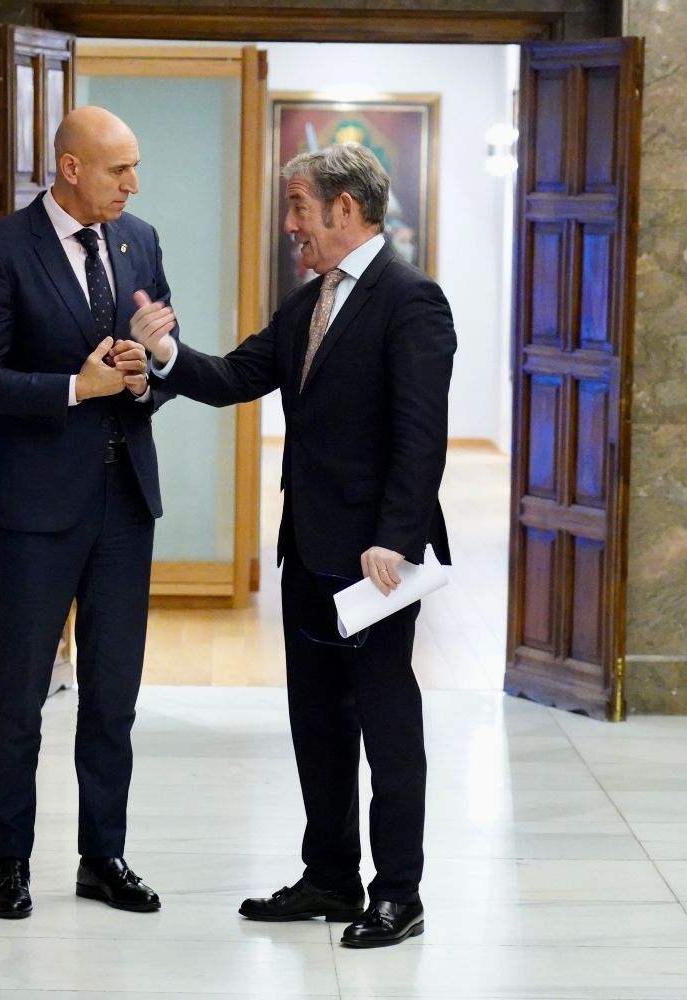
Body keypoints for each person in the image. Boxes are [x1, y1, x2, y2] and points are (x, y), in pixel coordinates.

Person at [130, 141, 454, 948]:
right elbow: (237, 376)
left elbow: (421, 436)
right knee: (316, 720)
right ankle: (332, 879)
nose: (289, 228)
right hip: (308, 547)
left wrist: (394, 540)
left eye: (299, 209)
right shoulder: (310, 300)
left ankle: (399, 893)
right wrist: (163, 352)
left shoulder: (412, 301)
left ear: (346, 209)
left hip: (376, 562)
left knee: (386, 722)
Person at [0, 106, 173, 920]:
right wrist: (79, 387)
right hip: (33, 509)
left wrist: (147, 370)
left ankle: (102, 858)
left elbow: (160, 366)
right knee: (19, 699)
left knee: (113, 698)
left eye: (135, 168)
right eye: (119, 171)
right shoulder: (0, 251)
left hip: (125, 505)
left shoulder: (139, 240)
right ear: (71, 168)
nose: (133, 185)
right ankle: (12, 862)